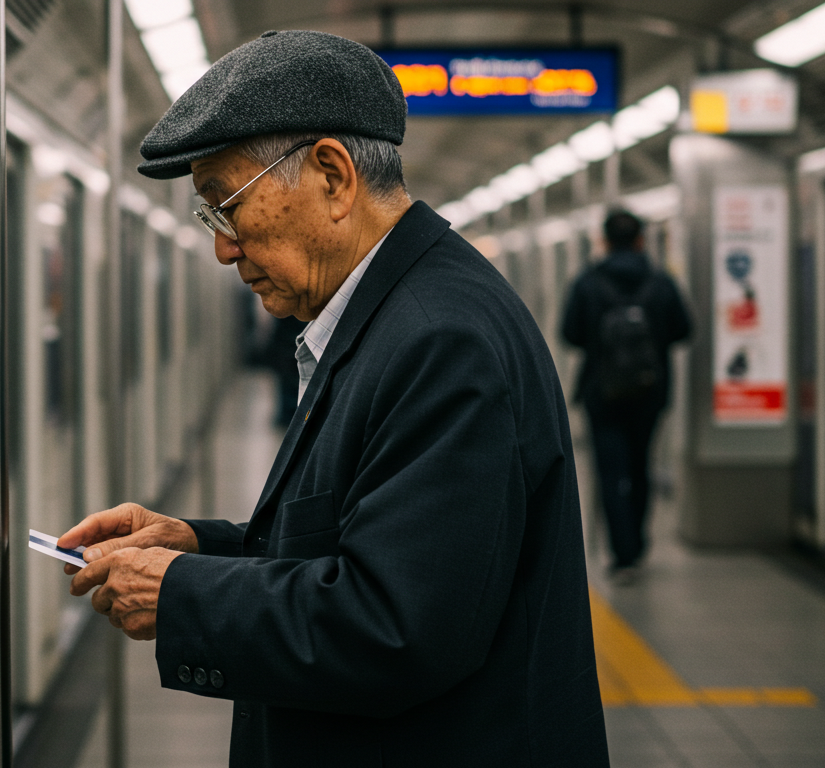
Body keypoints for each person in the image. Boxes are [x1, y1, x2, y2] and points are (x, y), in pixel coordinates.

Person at [59, 30, 609, 767]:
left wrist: (184, 595)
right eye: (208, 218)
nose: (223, 247)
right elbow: (373, 539)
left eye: (227, 206)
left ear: (332, 176)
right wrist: (200, 546)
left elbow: (397, 626)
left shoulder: (439, 341)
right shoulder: (395, 315)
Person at [561, 211, 692, 580]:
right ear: (640, 240)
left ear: (603, 241)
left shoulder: (588, 282)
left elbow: (570, 333)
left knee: (610, 469)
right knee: (640, 466)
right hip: (651, 391)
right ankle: (639, 539)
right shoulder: (661, 281)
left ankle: (623, 555)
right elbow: (683, 329)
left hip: (602, 392)